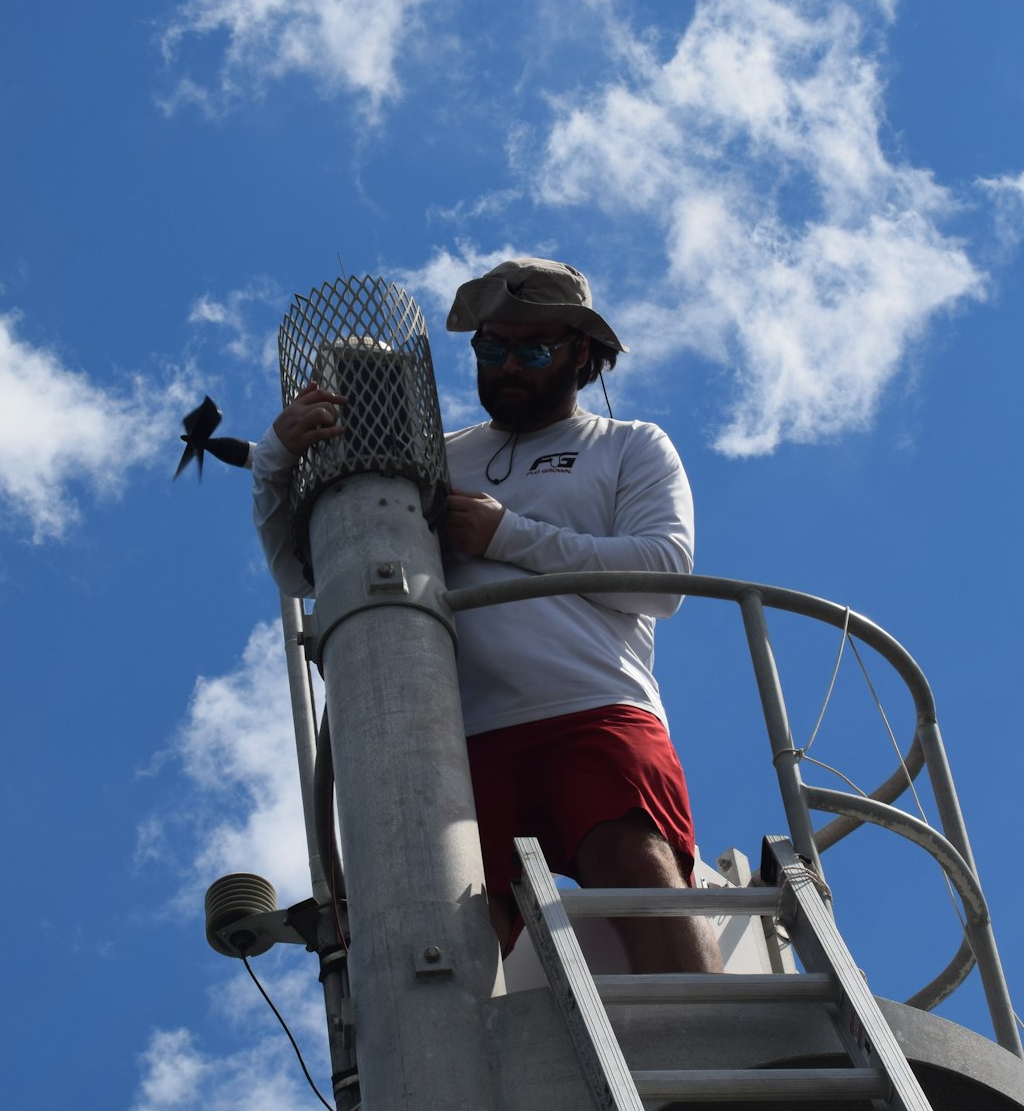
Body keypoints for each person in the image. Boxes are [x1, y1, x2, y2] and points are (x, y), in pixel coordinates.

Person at [252, 257, 720, 973]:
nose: (507, 367)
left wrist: (509, 535)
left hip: (592, 705)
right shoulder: (434, 454)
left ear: (583, 355)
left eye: (531, 350)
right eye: (490, 348)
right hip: (455, 732)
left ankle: (720, 1055)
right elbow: (305, 572)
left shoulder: (631, 446)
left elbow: (662, 575)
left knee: (635, 861)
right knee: (456, 934)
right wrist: (275, 464)